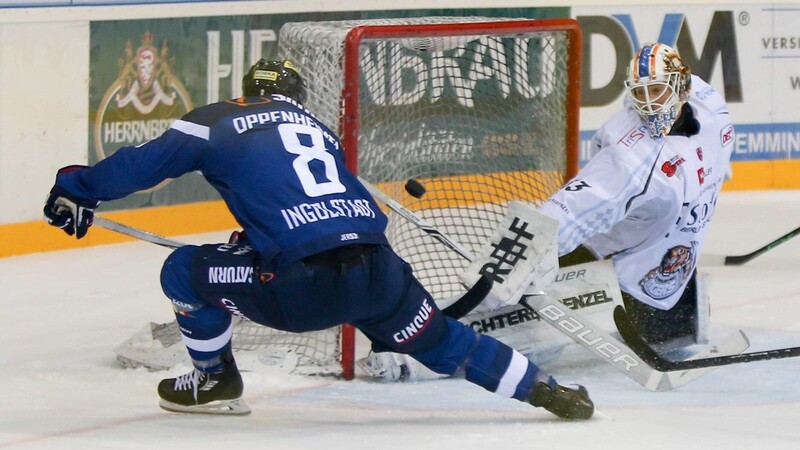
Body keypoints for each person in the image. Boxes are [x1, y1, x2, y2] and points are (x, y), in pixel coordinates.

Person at [43, 59, 593, 419]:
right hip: (379, 274)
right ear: (296, 96)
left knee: (183, 271)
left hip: (297, 287)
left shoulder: (213, 121)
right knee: (445, 342)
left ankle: (214, 380)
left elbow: (137, 169)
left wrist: (75, 188)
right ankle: (548, 392)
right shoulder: (320, 134)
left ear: (247, 94)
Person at [538, 42, 735, 349]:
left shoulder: (708, 102)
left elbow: (710, 142)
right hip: (610, 252)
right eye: (640, 93)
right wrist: (532, 245)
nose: (649, 104)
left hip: (666, 248)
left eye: (656, 90)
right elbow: (577, 205)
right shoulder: (630, 152)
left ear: (682, 88)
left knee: (679, 335)